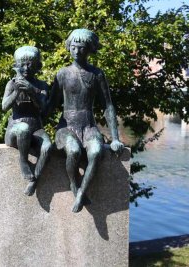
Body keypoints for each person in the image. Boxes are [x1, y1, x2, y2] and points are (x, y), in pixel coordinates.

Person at [49, 29, 124, 212]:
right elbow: (50, 104)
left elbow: (108, 106)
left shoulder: (97, 74)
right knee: (73, 151)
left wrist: (115, 138)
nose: (77, 51)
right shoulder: (63, 73)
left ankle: (82, 193)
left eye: (81, 48)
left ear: (89, 49)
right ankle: (75, 185)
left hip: (89, 126)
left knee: (97, 152)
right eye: (73, 47)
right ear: (69, 47)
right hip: (66, 126)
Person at [2, 46, 52, 196]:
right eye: (22, 64)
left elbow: (44, 108)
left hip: (36, 127)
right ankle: (23, 161)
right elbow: (4, 106)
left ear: (37, 66)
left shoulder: (42, 85)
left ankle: (34, 180)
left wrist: (31, 90)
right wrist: (17, 91)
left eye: (30, 64)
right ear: (16, 65)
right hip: (15, 128)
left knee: (47, 147)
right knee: (23, 128)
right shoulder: (11, 83)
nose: (26, 68)